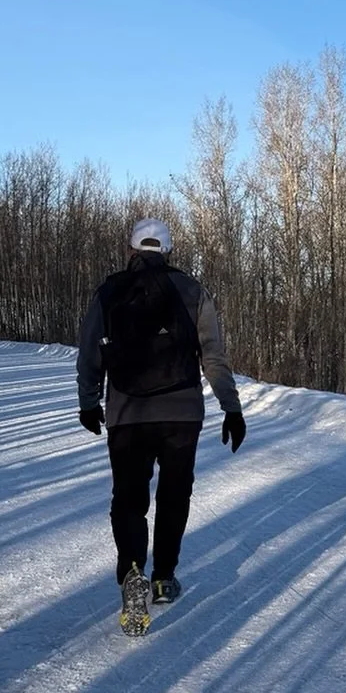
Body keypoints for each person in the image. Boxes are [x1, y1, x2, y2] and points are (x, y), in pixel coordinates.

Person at [76, 217, 245, 635]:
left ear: (131, 249)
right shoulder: (192, 291)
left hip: (127, 414)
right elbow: (213, 357)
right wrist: (232, 408)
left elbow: (89, 353)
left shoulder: (109, 290)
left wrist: (89, 402)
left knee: (129, 499)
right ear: (168, 250)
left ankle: (132, 569)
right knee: (174, 495)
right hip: (182, 414)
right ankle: (164, 577)